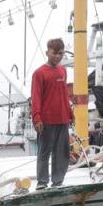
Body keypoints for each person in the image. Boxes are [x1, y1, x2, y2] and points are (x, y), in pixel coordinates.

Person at [31, 38, 73, 189]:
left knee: (62, 152)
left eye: (60, 53)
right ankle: (42, 183)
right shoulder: (39, 73)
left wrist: (70, 113)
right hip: (46, 120)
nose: (57, 56)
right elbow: (35, 97)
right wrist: (36, 118)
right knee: (44, 152)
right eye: (54, 53)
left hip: (62, 119)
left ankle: (58, 182)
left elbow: (64, 95)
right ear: (47, 52)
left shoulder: (63, 70)